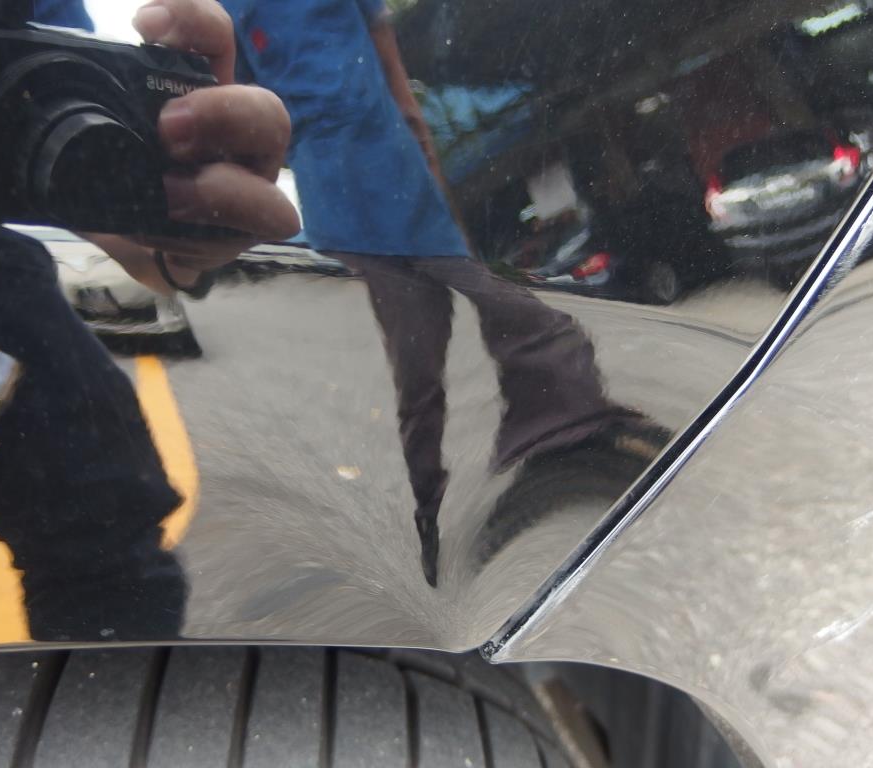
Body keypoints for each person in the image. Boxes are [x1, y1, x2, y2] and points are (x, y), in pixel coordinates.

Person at [222, 0, 661, 586]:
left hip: (392, 162)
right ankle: (430, 520)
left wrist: (421, 154)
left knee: (500, 310)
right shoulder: (229, 8)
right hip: (336, 189)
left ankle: (562, 426)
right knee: (417, 367)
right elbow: (253, 116)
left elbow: (392, 73)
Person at [0, 0, 298, 642]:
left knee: (110, 529)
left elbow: (52, 120)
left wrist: (173, 224)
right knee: (110, 538)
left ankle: (114, 687)